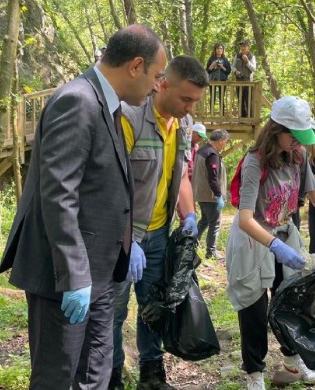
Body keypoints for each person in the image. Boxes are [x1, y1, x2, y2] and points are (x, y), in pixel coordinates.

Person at [0, 24, 165, 390]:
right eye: (157, 75)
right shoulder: (78, 100)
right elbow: (59, 193)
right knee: (58, 376)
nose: (157, 86)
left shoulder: (109, 107)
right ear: (136, 66)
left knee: (95, 374)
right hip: (66, 276)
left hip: (102, 273)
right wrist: (75, 277)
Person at [111, 55, 208, 390]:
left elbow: (180, 174)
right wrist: (128, 241)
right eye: (185, 98)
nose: (189, 106)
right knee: (116, 312)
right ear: (162, 82)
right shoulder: (130, 118)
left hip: (159, 236)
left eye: (195, 101)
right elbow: (113, 184)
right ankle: (111, 376)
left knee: (154, 307)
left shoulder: (183, 124)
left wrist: (189, 214)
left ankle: (151, 376)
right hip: (123, 241)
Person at [226, 96, 315, 390]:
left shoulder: (297, 158)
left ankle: (291, 360)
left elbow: (314, 193)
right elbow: (245, 218)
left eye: (302, 139)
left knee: (291, 300)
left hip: (285, 232)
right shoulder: (254, 162)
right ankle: (254, 372)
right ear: (277, 130)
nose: (299, 144)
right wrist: (275, 246)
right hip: (254, 240)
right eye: (294, 138)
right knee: (253, 307)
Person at [192, 128, 230, 259]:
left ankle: (192, 244)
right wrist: (219, 195)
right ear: (220, 141)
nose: (225, 145)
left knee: (204, 221)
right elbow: (213, 178)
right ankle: (211, 252)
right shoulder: (212, 154)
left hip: (201, 193)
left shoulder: (202, 150)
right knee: (215, 223)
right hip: (210, 196)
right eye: (225, 142)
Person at [233, 40, 256, 118]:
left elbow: (253, 69)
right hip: (238, 81)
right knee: (240, 100)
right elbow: (233, 67)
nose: (243, 48)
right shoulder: (237, 56)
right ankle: (242, 117)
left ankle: (250, 117)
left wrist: (247, 61)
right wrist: (235, 71)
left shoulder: (252, 57)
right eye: (242, 46)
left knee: (248, 100)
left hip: (248, 82)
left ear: (248, 47)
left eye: (245, 46)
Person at [205, 43, 231, 113]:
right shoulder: (211, 59)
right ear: (215, 49)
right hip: (212, 80)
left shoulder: (225, 60)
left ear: (223, 50)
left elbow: (228, 71)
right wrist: (212, 66)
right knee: (212, 97)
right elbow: (207, 71)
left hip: (222, 80)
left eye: (221, 48)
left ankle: (222, 114)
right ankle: (211, 114)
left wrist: (222, 67)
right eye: (218, 48)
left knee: (221, 97)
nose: (219, 50)